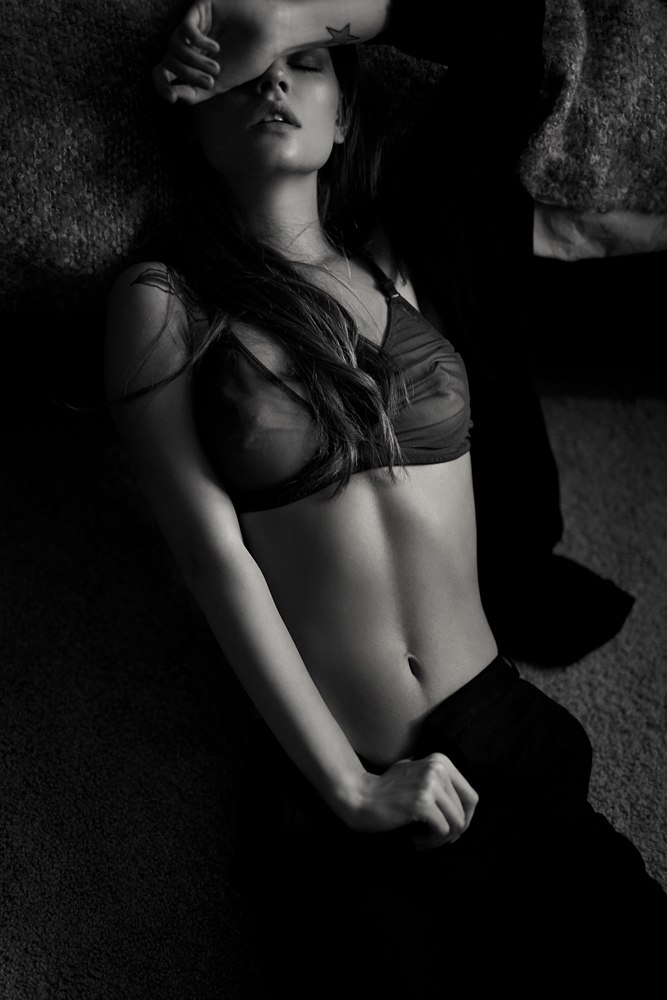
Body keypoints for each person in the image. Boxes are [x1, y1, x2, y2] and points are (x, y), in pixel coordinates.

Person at [106, 1, 666, 995]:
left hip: (500, 732)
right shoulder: (166, 302)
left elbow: (503, 30)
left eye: (306, 63)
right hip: (347, 776)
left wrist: (272, 16)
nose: (272, 81)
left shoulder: (409, 253)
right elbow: (211, 557)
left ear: (345, 117)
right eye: (239, 68)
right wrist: (351, 787)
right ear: (189, 113)